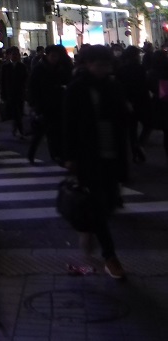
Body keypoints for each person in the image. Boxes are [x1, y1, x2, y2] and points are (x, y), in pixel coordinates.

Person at [63, 45, 129, 280]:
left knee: (109, 203)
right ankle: (110, 257)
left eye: (106, 65)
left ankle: (88, 229)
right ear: (87, 64)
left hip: (112, 152)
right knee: (99, 205)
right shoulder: (77, 88)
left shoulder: (113, 87)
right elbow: (69, 124)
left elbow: (122, 119)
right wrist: (70, 156)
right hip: (88, 155)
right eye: (99, 64)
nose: (103, 69)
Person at [26, 44, 72, 164]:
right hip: (43, 104)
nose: (55, 59)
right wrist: (34, 104)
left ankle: (56, 155)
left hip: (57, 103)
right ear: (47, 55)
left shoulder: (60, 67)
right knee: (40, 131)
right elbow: (32, 87)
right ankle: (31, 154)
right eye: (53, 56)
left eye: (57, 56)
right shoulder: (39, 68)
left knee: (56, 131)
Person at [0, 46, 29, 140]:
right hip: (9, 93)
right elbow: (2, 81)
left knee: (19, 112)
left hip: (19, 93)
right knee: (15, 112)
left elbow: (26, 80)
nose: (15, 56)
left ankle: (18, 129)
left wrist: (26, 92)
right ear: (9, 56)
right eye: (13, 54)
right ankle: (18, 129)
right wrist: (3, 94)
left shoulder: (22, 67)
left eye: (16, 54)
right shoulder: (5, 67)